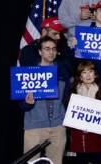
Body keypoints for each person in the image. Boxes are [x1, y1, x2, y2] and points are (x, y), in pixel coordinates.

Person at [20, 35, 68, 164]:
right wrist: (27, 103)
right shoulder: (28, 74)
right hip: (34, 127)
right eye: (47, 49)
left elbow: (67, 98)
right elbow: (22, 105)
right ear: (40, 52)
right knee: (31, 162)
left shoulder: (63, 72)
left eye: (53, 49)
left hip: (58, 126)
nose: (51, 52)